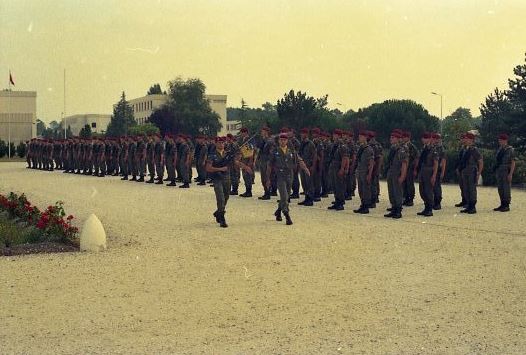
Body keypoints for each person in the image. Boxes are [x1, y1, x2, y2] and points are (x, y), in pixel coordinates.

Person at [206, 136, 252, 228]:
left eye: (222, 143)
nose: (221, 144)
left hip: (227, 178)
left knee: (226, 197)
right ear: (215, 143)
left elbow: (236, 162)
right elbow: (208, 168)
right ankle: (222, 218)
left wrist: (246, 167)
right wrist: (220, 169)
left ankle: (218, 212)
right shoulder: (212, 155)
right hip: (217, 178)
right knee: (220, 198)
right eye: (219, 143)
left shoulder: (227, 154)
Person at [266, 133, 310, 225]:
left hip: (290, 175)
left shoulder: (291, 151)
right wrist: (268, 179)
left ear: (287, 141)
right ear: (279, 141)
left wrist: (305, 169)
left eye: (284, 140)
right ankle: (287, 215)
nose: (283, 141)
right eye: (281, 140)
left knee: (286, 196)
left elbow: (299, 160)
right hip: (280, 176)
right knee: (284, 196)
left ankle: (278, 211)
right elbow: (269, 166)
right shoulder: (275, 151)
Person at [384, 130, 408, 219]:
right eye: (391, 137)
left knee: (397, 192)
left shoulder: (401, 150)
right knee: (391, 191)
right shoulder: (393, 148)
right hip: (391, 172)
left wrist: (402, 176)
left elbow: (404, 164)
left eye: (393, 138)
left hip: (397, 173)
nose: (391, 139)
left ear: (398, 139)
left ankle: (398, 210)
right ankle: (394, 208)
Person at [458, 132, 483, 214]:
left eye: (467, 138)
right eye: (465, 138)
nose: (465, 140)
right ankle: (468, 205)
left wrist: (479, 173)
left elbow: (480, 162)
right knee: (466, 188)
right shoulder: (466, 149)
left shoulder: (474, 150)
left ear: (471, 140)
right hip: (465, 170)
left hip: (472, 170)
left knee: (472, 189)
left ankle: (472, 207)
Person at [416, 132, 438, 217]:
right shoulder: (424, 148)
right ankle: (426, 207)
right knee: (422, 191)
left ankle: (429, 209)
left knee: (428, 191)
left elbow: (436, 163)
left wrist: (434, 175)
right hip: (422, 171)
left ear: (429, 139)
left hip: (429, 171)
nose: (423, 139)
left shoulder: (433, 149)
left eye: (425, 138)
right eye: (423, 138)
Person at [328, 129, 350, 211]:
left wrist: (342, 169)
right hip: (333, 167)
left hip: (338, 167)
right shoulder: (335, 144)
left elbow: (345, 158)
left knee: (339, 186)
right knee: (334, 185)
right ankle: (337, 201)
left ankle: (340, 203)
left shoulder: (342, 145)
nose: (333, 136)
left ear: (339, 136)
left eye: (335, 135)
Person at [353, 130, 374, 214]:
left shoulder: (369, 149)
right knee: (361, 189)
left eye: (361, 136)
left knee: (366, 189)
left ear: (365, 138)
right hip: (360, 171)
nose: (359, 138)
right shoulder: (360, 148)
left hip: (365, 171)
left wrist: (369, 174)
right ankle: (363, 204)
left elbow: (371, 163)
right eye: (359, 136)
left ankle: (366, 206)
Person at [494, 133, 516, 212]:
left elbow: (513, 162)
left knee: (506, 188)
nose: (500, 141)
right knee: (500, 188)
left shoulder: (510, 150)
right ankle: (502, 204)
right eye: (499, 140)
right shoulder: (500, 149)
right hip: (499, 170)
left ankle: (506, 205)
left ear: (505, 140)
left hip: (506, 170)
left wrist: (510, 174)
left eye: (501, 140)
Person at [298, 128, 317, 206]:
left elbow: (315, 155)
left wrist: (313, 166)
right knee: (304, 183)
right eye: (301, 133)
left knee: (309, 183)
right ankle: (306, 198)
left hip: (309, 165)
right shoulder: (302, 143)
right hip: (303, 165)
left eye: (303, 133)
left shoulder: (310, 144)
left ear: (306, 134)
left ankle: (310, 199)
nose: (302, 135)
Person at [256, 126, 274, 200]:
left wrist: (270, 162)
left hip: (267, 161)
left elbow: (271, 152)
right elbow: (259, 149)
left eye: (263, 131)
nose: (261, 132)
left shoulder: (270, 141)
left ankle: (268, 193)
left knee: (266, 177)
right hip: (262, 160)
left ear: (266, 132)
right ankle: (266, 192)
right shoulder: (263, 140)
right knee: (263, 178)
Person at [402, 131, 418, 206]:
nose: (403, 138)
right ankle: (405, 198)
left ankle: (410, 199)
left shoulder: (412, 147)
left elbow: (416, 158)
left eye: (405, 137)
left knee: (409, 184)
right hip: (403, 168)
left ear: (408, 138)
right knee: (403, 184)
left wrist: (415, 169)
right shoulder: (402, 146)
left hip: (410, 168)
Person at [238, 128, 255, 197]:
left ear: (246, 133)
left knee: (247, 175)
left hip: (248, 159)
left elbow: (251, 150)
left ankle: (249, 191)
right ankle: (247, 190)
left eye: (242, 132)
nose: (241, 134)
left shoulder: (249, 140)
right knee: (245, 175)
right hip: (243, 159)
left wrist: (250, 161)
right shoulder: (243, 140)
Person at [432, 133, 446, 210]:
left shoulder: (441, 149)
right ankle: (434, 201)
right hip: (433, 169)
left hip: (438, 170)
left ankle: (437, 203)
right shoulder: (432, 148)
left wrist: (442, 172)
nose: (436, 140)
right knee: (432, 187)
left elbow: (443, 161)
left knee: (437, 187)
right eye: (434, 138)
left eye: (437, 139)